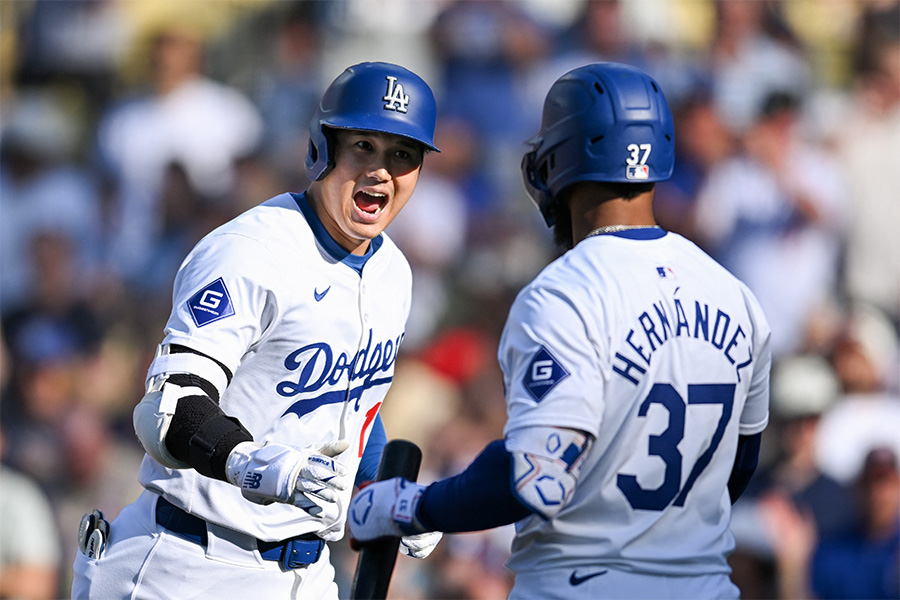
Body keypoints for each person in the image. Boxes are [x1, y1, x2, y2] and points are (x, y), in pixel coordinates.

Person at [348, 62, 772, 599]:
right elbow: (738, 467)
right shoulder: (735, 294)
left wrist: (411, 507)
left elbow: (536, 478)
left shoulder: (564, 292)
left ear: (560, 160)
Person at [71, 61, 443, 600]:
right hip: (187, 559)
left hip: (305, 571)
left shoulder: (395, 273)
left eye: (402, 155)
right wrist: (253, 464)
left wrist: (383, 488)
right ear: (324, 147)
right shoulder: (252, 250)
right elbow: (168, 411)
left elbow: (358, 407)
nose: (381, 172)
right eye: (364, 146)